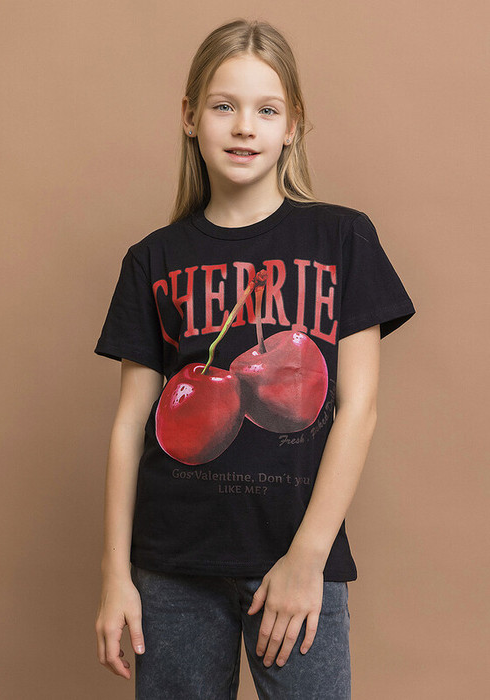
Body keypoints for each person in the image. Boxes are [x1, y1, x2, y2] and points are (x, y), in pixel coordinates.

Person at [93, 18, 416, 700]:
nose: (244, 127)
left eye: (266, 110)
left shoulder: (342, 238)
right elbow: (129, 425)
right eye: (224, 106)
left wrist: (308, 556)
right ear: (189, 117)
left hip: (298, 558)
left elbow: (357, 408)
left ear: (293, 124)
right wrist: (115, 575)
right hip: (172, 566)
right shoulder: (153, 259)